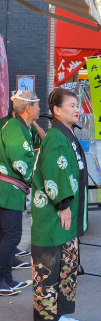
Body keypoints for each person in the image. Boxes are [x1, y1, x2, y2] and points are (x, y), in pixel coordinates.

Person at [30, 88, 88, 321]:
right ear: (57, 110)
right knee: (51, 264)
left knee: (64, 264)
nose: (77, 109)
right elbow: (55, 172)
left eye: (77, 105)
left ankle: (56, 315)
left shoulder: (64, 134)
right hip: (55, 215)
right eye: (72, 105)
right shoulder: (56, 136)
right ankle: (52, 319)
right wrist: (64, 206)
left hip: (63, 214)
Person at [0, 91, 39, 296]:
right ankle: (1, 279)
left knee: (7, 236)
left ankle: (6, 279)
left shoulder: (18, 126)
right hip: (8, 190)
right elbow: (20, 162)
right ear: (28, 108)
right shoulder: (16, 127)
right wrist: (37, 176)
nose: (40, 109)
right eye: (37, 105)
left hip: (8, 189)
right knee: (10, 236)